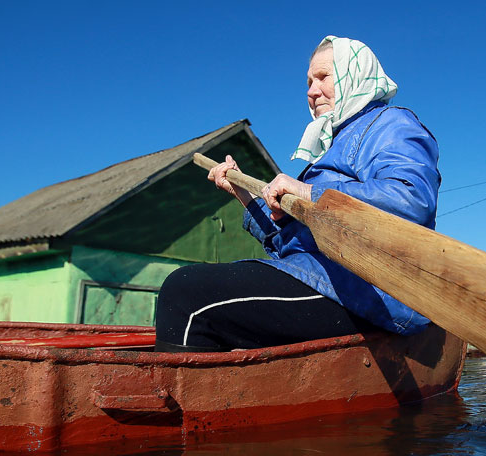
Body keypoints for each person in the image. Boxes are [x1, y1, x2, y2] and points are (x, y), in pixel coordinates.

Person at [154, 36, 440, 352]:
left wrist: (308, 191)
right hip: (319, 275)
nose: (311, 91)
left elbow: (412, 200)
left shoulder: (391, 124)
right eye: (308, 82)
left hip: (367, 290)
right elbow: (285, 245)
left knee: (186, 294)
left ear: (354, 74)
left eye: (323, 78)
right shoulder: (329, 150)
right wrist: (243, 196)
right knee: (193, 297)